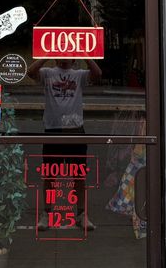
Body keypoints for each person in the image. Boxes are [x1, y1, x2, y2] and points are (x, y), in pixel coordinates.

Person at [27, 57, 101, 230]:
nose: (65, 56)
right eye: (61, 52)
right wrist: (46, 54)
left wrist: (85, 54)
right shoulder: (47, 73)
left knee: (79, 176)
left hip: (75, 129)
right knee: (50, 175)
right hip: (53, 129)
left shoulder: (79, 75)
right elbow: (30, 72)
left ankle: (81, 214)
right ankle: (47, 214)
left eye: (68, 52)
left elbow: (98, 74)